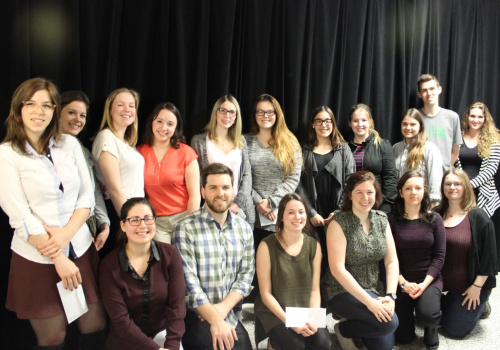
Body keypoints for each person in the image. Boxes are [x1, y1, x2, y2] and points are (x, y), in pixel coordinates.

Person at [0, 77, 106, 349]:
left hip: (81, 249)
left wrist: (65, 237)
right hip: (37, 258)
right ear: (18, 108)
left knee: (94, 325)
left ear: (54, 109)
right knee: (53, 338)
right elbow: (19, 215)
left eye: (47, 105)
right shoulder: (7, 154)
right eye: (31, 104)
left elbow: (86, 197)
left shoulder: (69, 144)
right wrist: (58, 255)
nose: (39, 111)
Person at [174, 163, 254, 350]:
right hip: (196, 314)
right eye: (213, 187)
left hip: (228, 311)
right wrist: (214, 318)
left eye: (226, 187)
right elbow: (188, 282)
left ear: (233, 191)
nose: (220, 193)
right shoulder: (185, 228)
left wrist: (223, 309)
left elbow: (246, 276)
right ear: (203, 192)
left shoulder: (244, 229)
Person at [322, 171, 399, 350]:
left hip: (374, 287)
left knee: (384, 345)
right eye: (359, 192)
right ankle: (343, 329)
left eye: (370, 192)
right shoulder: (339, 222)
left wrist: (390, 296)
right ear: (350, 194)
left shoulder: (382, 220)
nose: (365, 197)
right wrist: (369, 303)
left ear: (376, 194)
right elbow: (337, 269)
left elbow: (392, 262)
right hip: (340, 290)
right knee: (389, 323)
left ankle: (356, 320)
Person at [99, 197, 186, 350]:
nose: (142, 225)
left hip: (161, 334)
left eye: (148, 219)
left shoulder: (170, 254)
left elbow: (177, 308)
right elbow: (121, 321)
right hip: (124, 340)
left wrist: (171, 347)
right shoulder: (109, 265)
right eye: (134, 220)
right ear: (123, 225)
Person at [255, 193, 331, 350]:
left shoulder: (314, 246)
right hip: (275, 310)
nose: (297, 217)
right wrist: (290, 321)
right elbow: (266, 294)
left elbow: (315, 289)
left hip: (303, 308)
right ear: (281, 216)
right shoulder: (266, 245)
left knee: (322, 343)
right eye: (291, 212)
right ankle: (273, 344)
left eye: (301, 212)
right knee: (294, 345)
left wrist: (312, 318)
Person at [435, 169, 498, 338]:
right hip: (443, 286)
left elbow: (489, 259)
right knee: (425, 316)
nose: (452, 187)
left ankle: (482, 306)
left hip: (470, 287)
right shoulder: (436, 214)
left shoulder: (478, 216)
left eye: (457, 183)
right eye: (448, 184)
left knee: (454, 331)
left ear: (466, 187)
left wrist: (477, 287)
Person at [388, 171, 446, 349]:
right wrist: (403, 283)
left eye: (418, 188)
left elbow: (439, 256)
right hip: (401, 281)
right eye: (408, 188)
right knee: (403, 338)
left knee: (428, 314)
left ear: (424, 191)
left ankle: (431, 328)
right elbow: (389, 258)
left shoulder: (435, 219)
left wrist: (424, 284)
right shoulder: (391, 220)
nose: (413, 192)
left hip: (429, 280)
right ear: (401, 192)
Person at [296, 106, 355, 275]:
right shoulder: (303, 149)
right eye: (319, 121)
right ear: (313, 125)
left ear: (333, 124)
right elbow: (298, 184)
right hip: (312, 212)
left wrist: (339, 211)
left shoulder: (343, 149)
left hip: (337, 211)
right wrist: (311, 212)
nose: (324, 125)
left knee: (336, 259)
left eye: (328, 121)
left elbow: (351, 182)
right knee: (314, 259)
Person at [245, 93, 302, 250]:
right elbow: (242, 178)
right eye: (260, 112)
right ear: (254, 115)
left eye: (270, 111)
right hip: (252, 216)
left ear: (277, 114)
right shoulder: (245, 141)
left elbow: (293, 178)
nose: (265, 116)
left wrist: (272, 202)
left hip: (282, 215)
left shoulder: (290, 142)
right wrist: (260, 203)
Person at [137, 102, 200, 244]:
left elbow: (195, 195)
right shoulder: (139, 153)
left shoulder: (186, 153)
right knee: (164, 261)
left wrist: (190, 225)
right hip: (156, 222)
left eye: (170, 124)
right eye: (159, 121)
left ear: (176, 128)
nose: (163, 128)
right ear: (151, 122)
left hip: (184, 218)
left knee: (183, 262)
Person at [91, 88, 144, 253]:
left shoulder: (127, 142)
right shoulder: (106, 137)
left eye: (131, 105)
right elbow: (114, 189)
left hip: (134, 211)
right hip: (119, 213)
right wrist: (130, 222)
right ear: (110, 110)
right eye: (120, 105)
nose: (127, 109)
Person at [191, 94, 253, 226]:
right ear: (215, 113)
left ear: (236, 117)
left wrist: (238, 203)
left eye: (232, 112)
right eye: (222, 110)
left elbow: (247, 174)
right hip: (212, 207)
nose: (227, 115)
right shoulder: (200, 141)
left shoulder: (241, 141)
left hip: (239, 209)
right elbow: (197, 178)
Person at [60, 91, 110, 251]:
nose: (78, 119)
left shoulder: (84, 152)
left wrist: (104, 223)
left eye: (82, 115)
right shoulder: (44, 150)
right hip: (59, 233)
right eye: (71, 113)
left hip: (87, 232)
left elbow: (93, 191)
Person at [347, 103, 398, 213]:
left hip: (378, 206)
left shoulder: (383, 145)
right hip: (352, 206)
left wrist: (385, 208)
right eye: (355, 121)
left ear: (370, 122)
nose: (360, 124)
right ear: (350, 123)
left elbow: (391, 178)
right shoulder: (345, 148)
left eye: (364, 120)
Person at [455, 102, 500, 217]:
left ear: (485, 119)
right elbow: (452, 163)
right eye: (473, 116)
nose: (476, 120)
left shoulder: (493, 141)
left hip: (483, 191)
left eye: (480, 117)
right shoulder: (458, 137)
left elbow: (492, 168)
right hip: (459, 190)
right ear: (467, 117)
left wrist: (470, 185)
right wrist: (462, 185)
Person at [393, 108, 443, 206]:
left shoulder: (430, 149)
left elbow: (435, 181)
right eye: (405, 124)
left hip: (423, 205)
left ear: (420, 126)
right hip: (401, 204)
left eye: (413, 124)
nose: (408, 128)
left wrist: (431, 206)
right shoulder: (395, 148)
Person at [417, 73, 462, 171]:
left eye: (432, 89)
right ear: (419, 94)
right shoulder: (415, 117)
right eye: (424, 90)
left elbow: (455, 151)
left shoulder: (452, 117)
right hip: (420, 175)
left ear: (439, 89)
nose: (429, 93)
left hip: (444, 175)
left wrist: (444, 168)